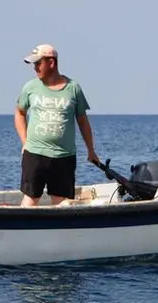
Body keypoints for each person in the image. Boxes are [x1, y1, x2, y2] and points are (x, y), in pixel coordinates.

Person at [15, 44, 99, 206]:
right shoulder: (30, 87)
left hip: (64, 156)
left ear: (51, 63)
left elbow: (82, 121)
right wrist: (25, 142)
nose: (35, 68)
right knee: (31, 199)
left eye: (38, 63)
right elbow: (19, 113)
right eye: (34, 64)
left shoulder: (73, 88)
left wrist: (91, 150)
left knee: (62, 202)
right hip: (35, 153)